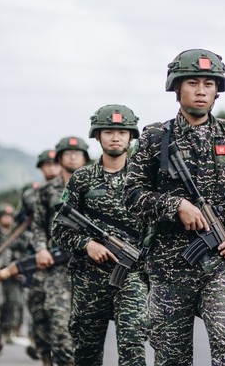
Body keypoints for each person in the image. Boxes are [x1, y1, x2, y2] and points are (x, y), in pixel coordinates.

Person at [124, 48, 225, 366]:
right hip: (169, 269)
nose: (201, 90)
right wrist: (175, 205)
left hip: (220, 265)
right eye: (193, 82)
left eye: (209, 84)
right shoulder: (156, 138)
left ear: (217, 91)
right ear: (177, 88)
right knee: (172, 359)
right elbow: (131, 195)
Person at [52, 104, 147, 366]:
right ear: (97, 136)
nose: (115, 137)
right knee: (86, 351)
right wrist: (86, 244)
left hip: (132, 274)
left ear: (131, 137)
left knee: (132, 343)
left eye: (122, 132)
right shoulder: (81, 179)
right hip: (89, 277)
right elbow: (59, 227)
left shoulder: (144, 179)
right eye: (108, 131)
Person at [29, 137, 89, 366]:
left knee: (87, 331)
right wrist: (40, 248)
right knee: (59, 324)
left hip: (88, 266)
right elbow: (37, 225)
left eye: (77, 152)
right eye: (68, 152)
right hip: (56, 266)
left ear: (85, 158)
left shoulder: (94, 187)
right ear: (60, 158)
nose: (73, 156)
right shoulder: (46, 191)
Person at [16, 149, 61, 360]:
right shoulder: (30, 195)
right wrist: (36, 246)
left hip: (65, 261)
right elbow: (19, 230)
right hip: (36, 263)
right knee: (39, 313)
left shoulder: (76, 186)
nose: (52, 168)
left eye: (54, 163)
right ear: (41, 168)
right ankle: (45, 357)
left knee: (63, 318)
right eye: (47, 164)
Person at [0, 204, 25, 344]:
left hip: (14, 275)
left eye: (9, 216)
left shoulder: (17, 232)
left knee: (15, 303)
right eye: (4, 216)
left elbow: (23, 250)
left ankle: (9, 330)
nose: (7, 219)